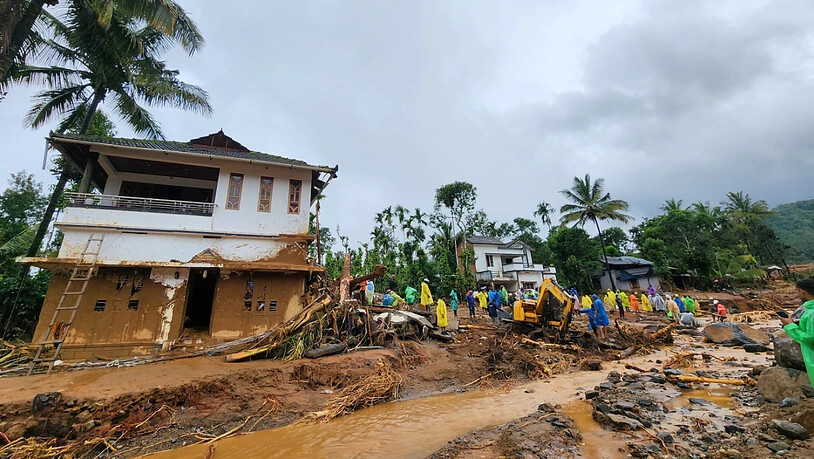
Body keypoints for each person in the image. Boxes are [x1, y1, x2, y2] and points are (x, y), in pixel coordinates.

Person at [780, 278, 814, 388]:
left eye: (797, 291)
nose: (797, 294)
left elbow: (810, 338)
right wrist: (800, 323)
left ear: (803, 291)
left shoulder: (811, 313)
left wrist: (789, 326)